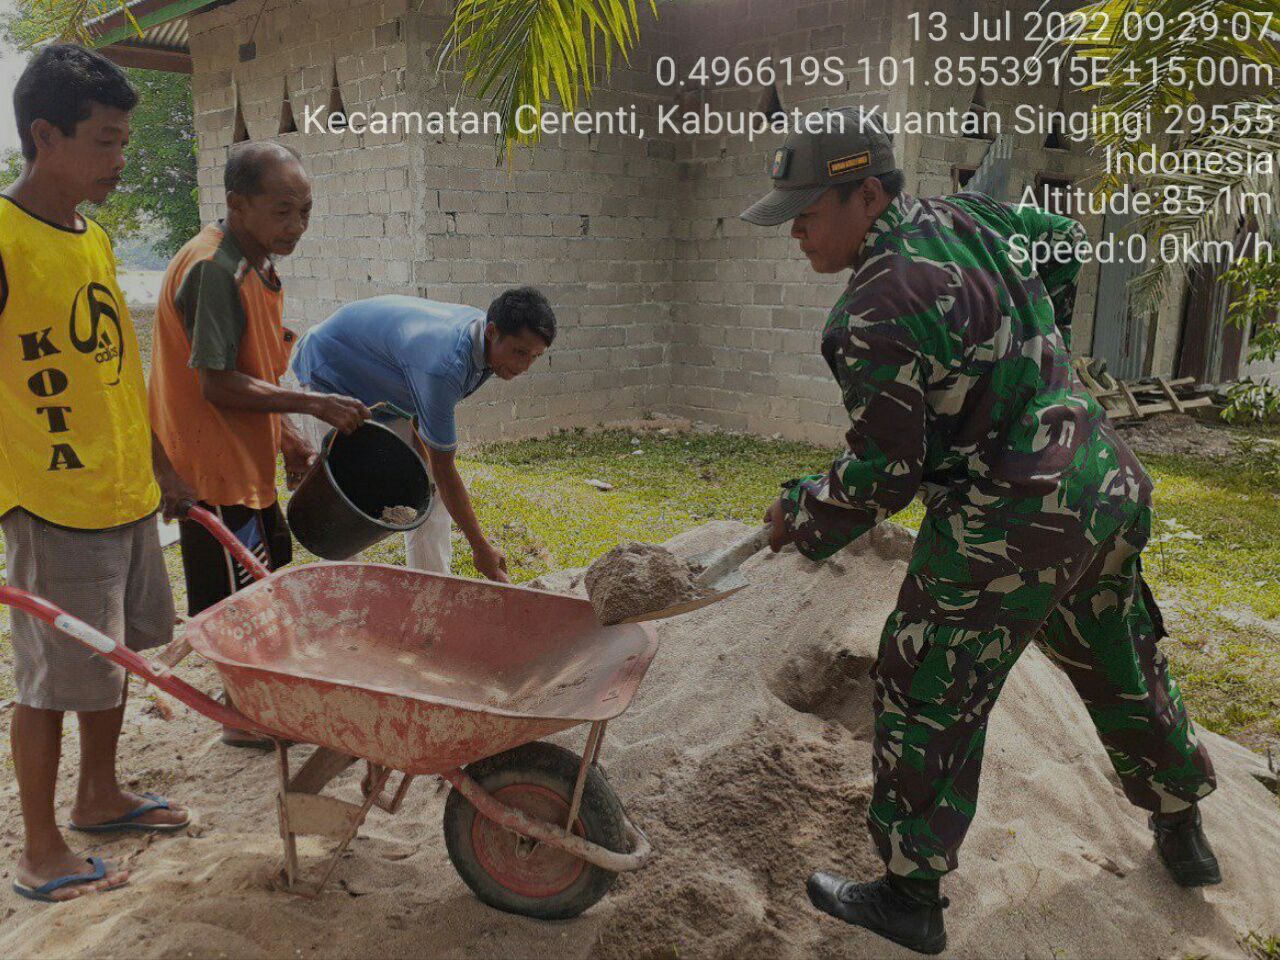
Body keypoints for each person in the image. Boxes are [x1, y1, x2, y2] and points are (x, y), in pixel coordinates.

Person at [741, 107, 1218, 955]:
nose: (797, 234)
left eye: (810, 213)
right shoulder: (968, 216)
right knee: (1117, 654)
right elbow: (1062, 239)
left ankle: (909, 894)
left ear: (867, 194)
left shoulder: (869, 314)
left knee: (926, 681)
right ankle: (1182, 825)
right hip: (1100, 482)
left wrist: (801, 511)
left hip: (1011, 521)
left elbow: (886, 475)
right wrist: (1041, 351)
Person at [0, 44, 193, 904]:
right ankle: (40, 846)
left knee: (111, 659)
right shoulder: (3, 240)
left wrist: (160, 466)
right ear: (46, 135)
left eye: (124, 142)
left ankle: (100, 795)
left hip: (126, 496)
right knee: (50, 681)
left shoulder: (94, 236)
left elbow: (114, 361)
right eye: (106, 142)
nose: (121, 160)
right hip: (51, 502)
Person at [148, 141, 368, 747]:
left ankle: (260, 702)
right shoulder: (214, 271)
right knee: (235, 603)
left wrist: (289, 437)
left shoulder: (257, 264)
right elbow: (218, 384)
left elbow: (258, 367)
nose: (296, 226)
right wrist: (313, 404)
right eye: (282, 211)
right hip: (210, 472)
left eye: (306, 211)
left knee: (269, 578)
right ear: (237, 205)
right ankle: (245, 716)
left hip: (246, 465)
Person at [289, 289, 556, 580]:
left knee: (429, 490)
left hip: (385, 391)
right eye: (520, 353)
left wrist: (421, 448)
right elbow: (444, 464)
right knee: (342, 504)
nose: (524, 366)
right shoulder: (445, 365)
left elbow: (417, 383)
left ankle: (432, 585)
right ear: (492, 332)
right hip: (331, 377)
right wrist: (481, 549)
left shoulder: (486, 347)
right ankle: (348, 601)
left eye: (535, 357)